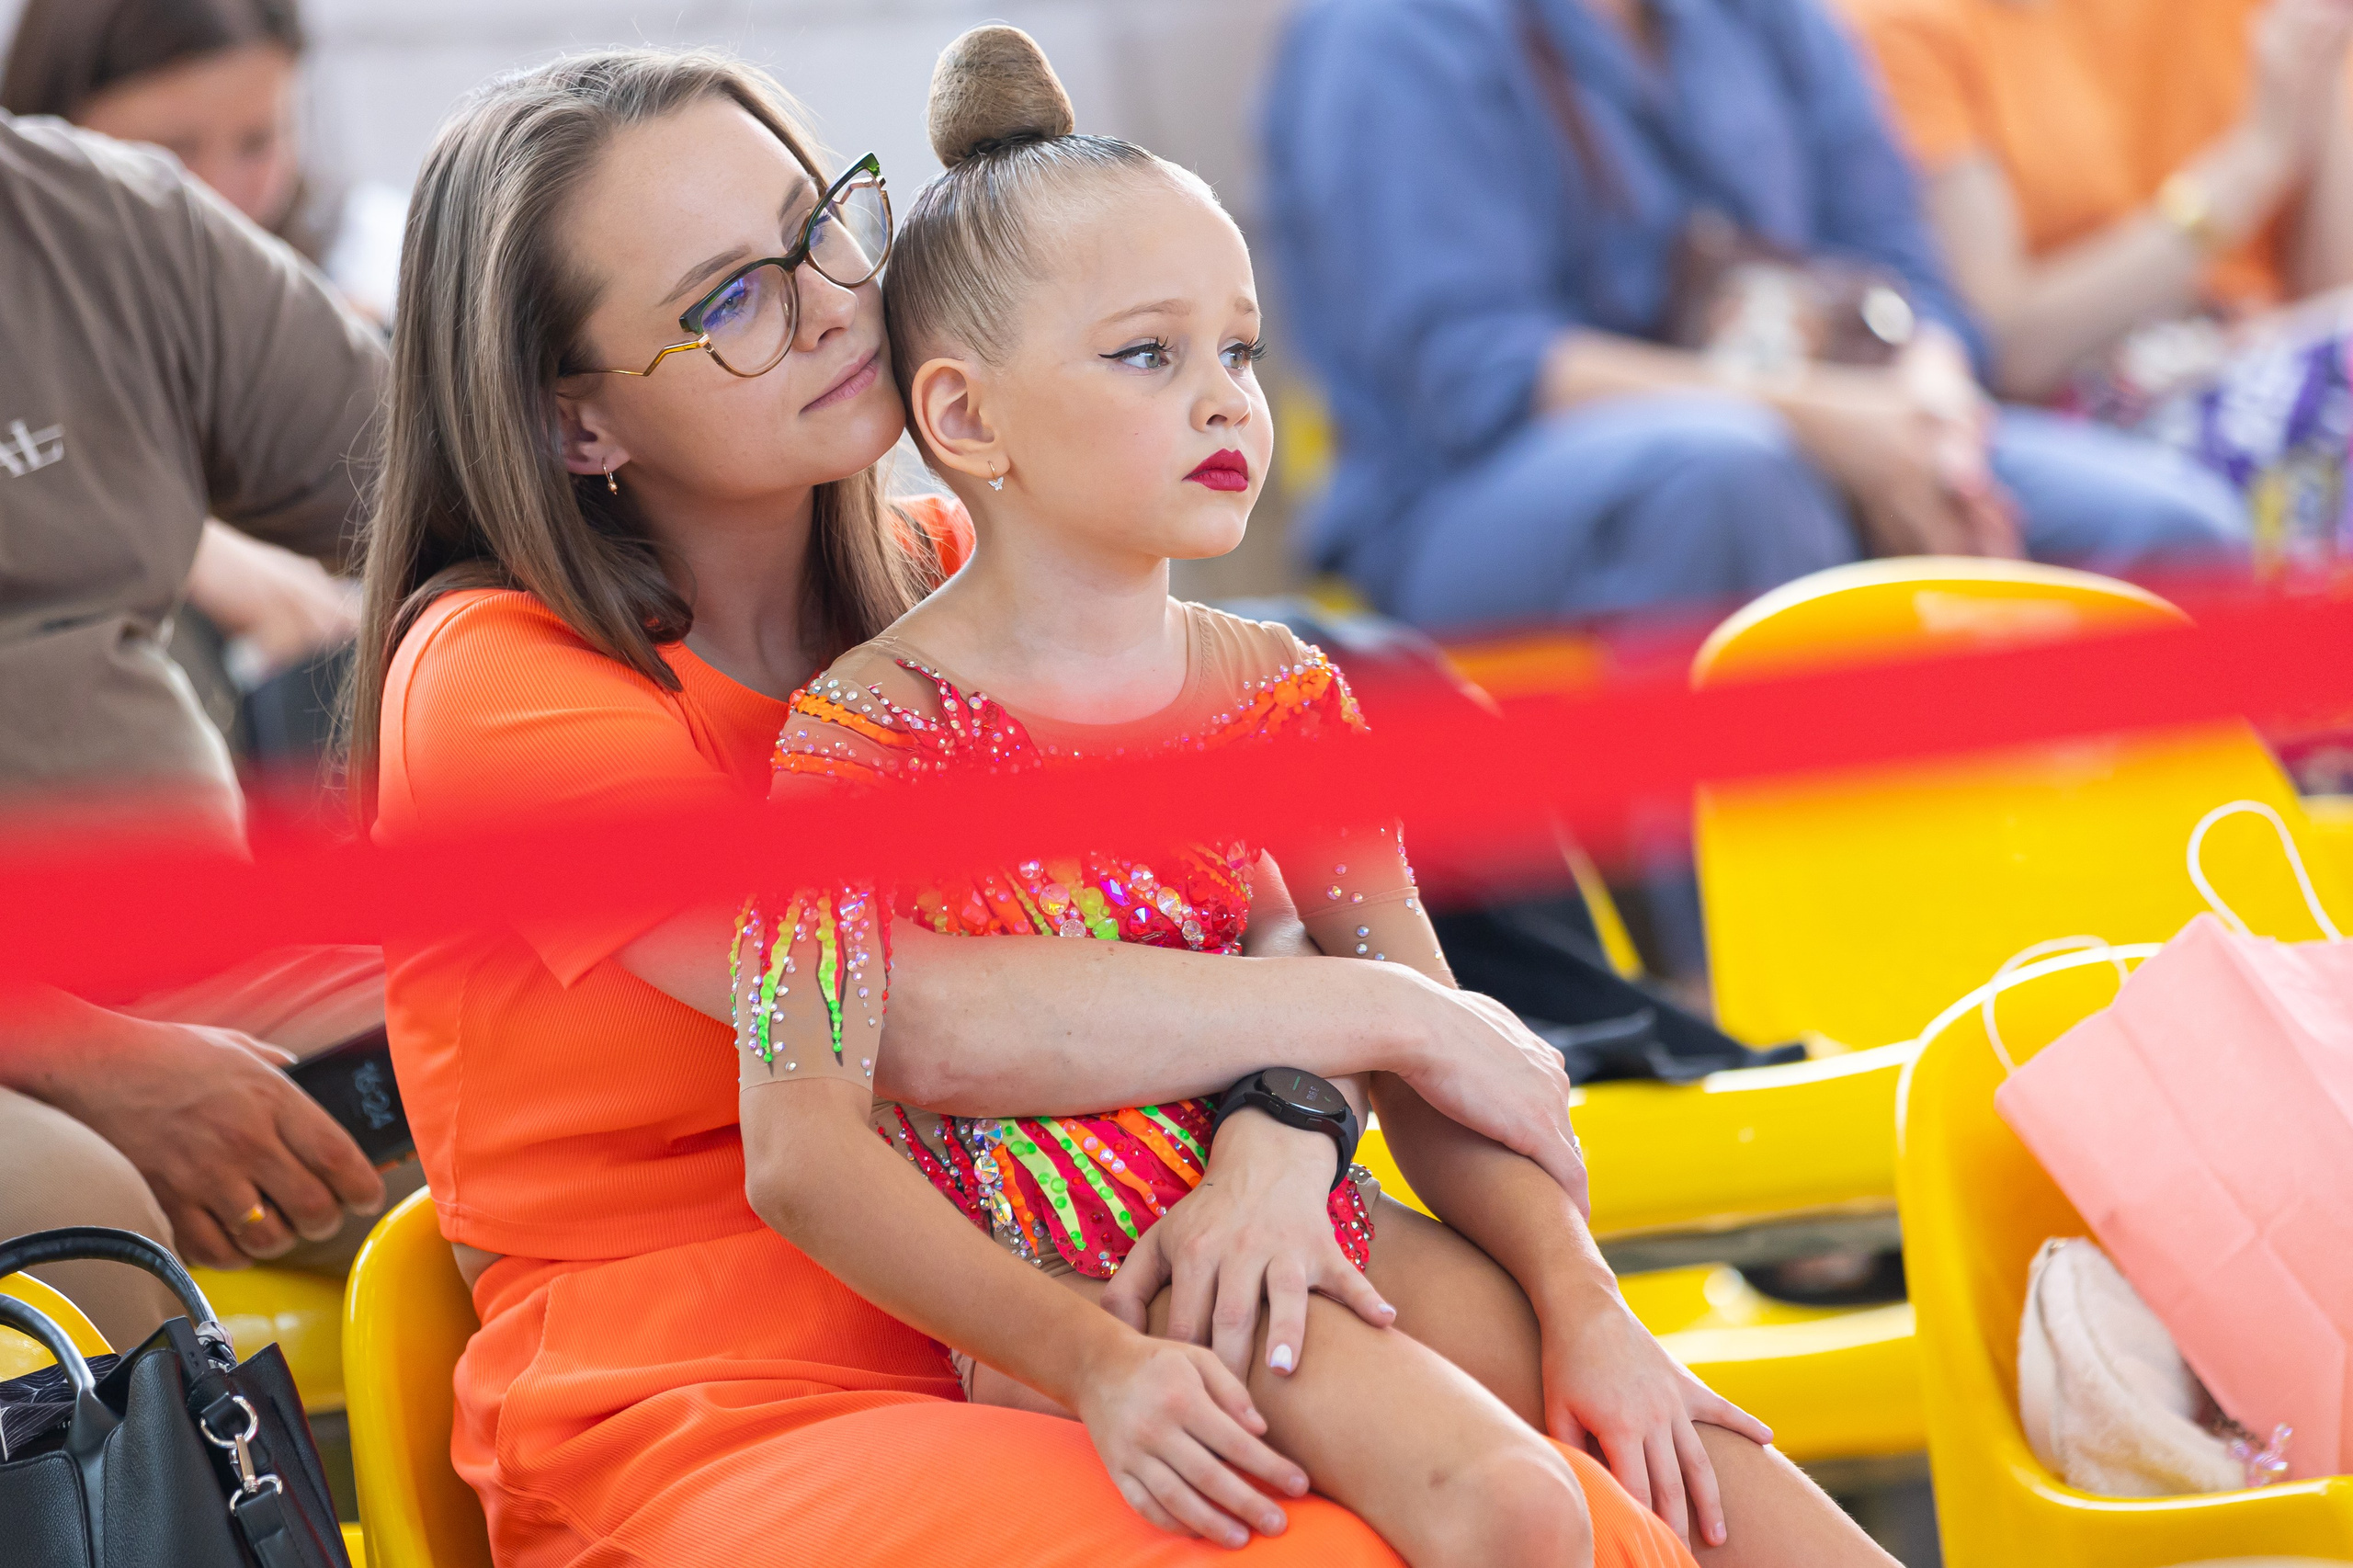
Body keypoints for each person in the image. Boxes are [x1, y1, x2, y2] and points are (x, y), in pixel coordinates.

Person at [357, 43, 1879, 1568]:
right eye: (733, 300)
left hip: (1132, 1269)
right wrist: (1391, 1018)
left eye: (824, 223)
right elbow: (915, 1025)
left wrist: (1282, 1141)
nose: (836, 300)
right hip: (729, 1405)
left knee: (1658, 1498)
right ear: (578, 424)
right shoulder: (493, 680)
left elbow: (1257, 894)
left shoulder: (974, 560)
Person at [1259, 0, 2252, 638]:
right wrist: (1828, 426)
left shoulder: (1767, 22)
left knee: (2164, 523)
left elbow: (1906, 265)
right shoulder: (1392, 34)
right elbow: (1472, 365)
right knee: (1726, 473)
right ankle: (1738, 958)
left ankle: (2157, 932)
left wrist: (1930, 418)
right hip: (1480, 506)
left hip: (1836, 431)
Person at [0, 105, 391, 1345]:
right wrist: (85, 1058)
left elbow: (448, 470)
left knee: (556, 1063)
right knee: (85, 1220)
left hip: (190, 960)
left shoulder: (89, 219)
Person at [3, 0, 406, 737]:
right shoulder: (83, 242)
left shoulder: (343, 260)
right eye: (170, 152)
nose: (215, 189)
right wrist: (191, 547)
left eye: (258, 142)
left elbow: (430, 474)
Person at [1838, 0, 2353, 401]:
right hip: (2098, 398)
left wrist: (2323, 81)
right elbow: (2007, 347)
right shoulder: (1913, 24)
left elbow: (2331, 296)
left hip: (2275, 368)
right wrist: (2252, 162)